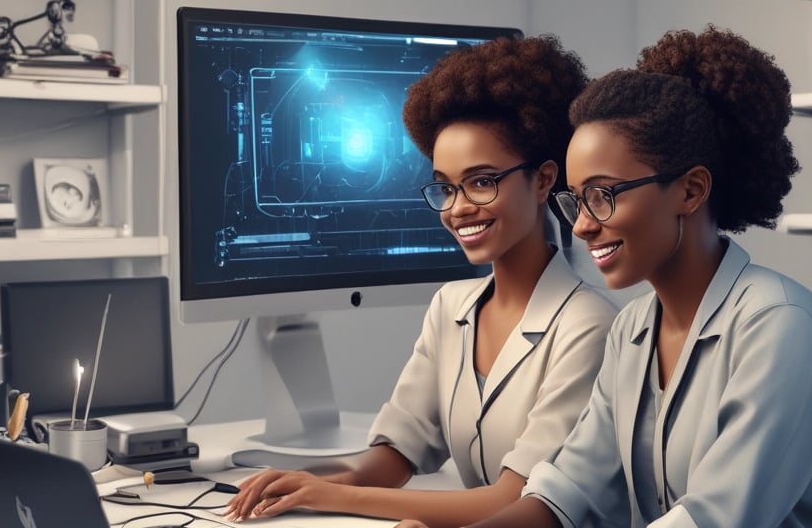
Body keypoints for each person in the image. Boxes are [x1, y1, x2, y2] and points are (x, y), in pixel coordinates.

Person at [405, 25, 812, 528]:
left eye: (604, 195)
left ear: (691, 190)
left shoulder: (780, 324)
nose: (584, 225)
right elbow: (566, 490)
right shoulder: (632, 331)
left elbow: (714, 517)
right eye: (575, 199)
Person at [223, 35, 619, 527]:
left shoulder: (590, 325)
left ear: (542, 180)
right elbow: (396, 454)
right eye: (445, 187)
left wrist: (336, 499)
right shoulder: (451, 307)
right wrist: (310, 484)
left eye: (481, 181)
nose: (457, 209)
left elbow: (517, 501)